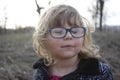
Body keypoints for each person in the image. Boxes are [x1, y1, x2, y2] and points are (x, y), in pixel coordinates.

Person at [32, 4, 113, 80]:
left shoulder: (101, 73)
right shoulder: (40, 73)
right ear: (43, 38)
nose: (69, 36)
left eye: (75, 31)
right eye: (59, 32)